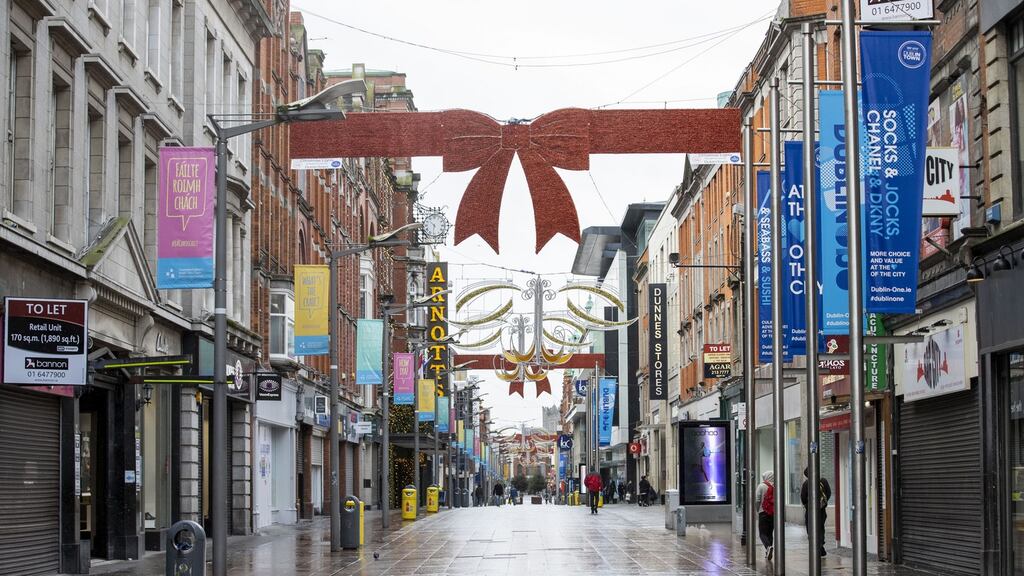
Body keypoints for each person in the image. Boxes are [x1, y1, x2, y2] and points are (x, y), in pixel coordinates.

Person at [800, 467, 833, 557]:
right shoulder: (823, 481)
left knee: (810, 528)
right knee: (820, 528)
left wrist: (807, 505)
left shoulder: (806, 483)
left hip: (810, 511)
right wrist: (822, 503)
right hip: (821, 510)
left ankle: (815, 545)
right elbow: (829, 493)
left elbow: (803, 497)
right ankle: (820, 545)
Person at [755, 470, 776, 561]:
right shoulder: (776, 486)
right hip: (773, 513)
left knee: (762, 533)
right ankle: (768, 551)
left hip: (763, 512)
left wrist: (757, 509)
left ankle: (768, 547)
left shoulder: (761, 486)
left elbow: (757, 500)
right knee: (770, 533)